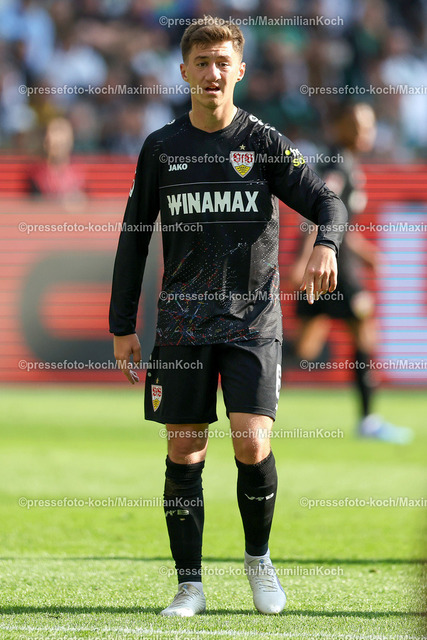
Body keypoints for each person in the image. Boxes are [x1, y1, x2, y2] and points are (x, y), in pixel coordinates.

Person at [109, 16, 347, 617]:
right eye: (202, 62)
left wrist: (326, 244)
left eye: (223, 62)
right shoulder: (161, 147)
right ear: (183, 71)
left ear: (239, 70)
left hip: (251, 322)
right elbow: (135, 237)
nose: (212, 73)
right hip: (182, 324)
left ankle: (258, 560)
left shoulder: (263, 142)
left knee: (251, 441)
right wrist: (121, 325)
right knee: (185, 452)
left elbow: (328, 200)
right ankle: (189, 585)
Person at [291, 102, 412, 444]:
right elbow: (317, 215)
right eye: (357, 126)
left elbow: (340, 224)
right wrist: (303, 259)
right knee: (364, 332)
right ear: (340, 126)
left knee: (304, 350)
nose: (365, 133)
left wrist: (366, 253)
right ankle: (369, 421)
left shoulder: (347, 163)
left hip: (335, 262)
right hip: (336, 268)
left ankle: (238, 371)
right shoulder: (336, 165)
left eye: (369, 127)